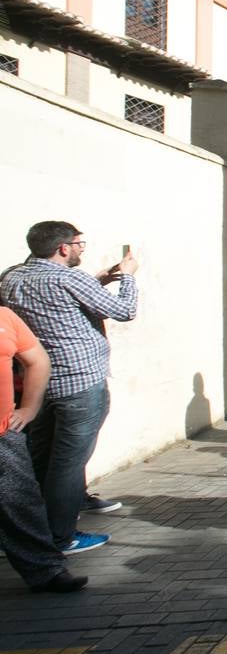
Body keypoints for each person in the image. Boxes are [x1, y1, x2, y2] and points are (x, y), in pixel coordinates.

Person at [0, 221, 138, 554]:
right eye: (80, 244)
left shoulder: (11, 277)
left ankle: (23, 535)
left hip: (37, 387)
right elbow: (125, 310)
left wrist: (100, 280)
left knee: (38, 460)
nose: (80, 249)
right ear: (64, 247)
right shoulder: (69, 277)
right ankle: (61, 538)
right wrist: (129, 276)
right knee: (67, 465)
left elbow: (57, 300)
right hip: (80, 383)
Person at [0, 306, 87, 593]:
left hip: (3, 435)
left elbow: (38, 360)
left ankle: (46, 572)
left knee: (22, 503)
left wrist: (29, 408)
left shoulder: (5, 318)